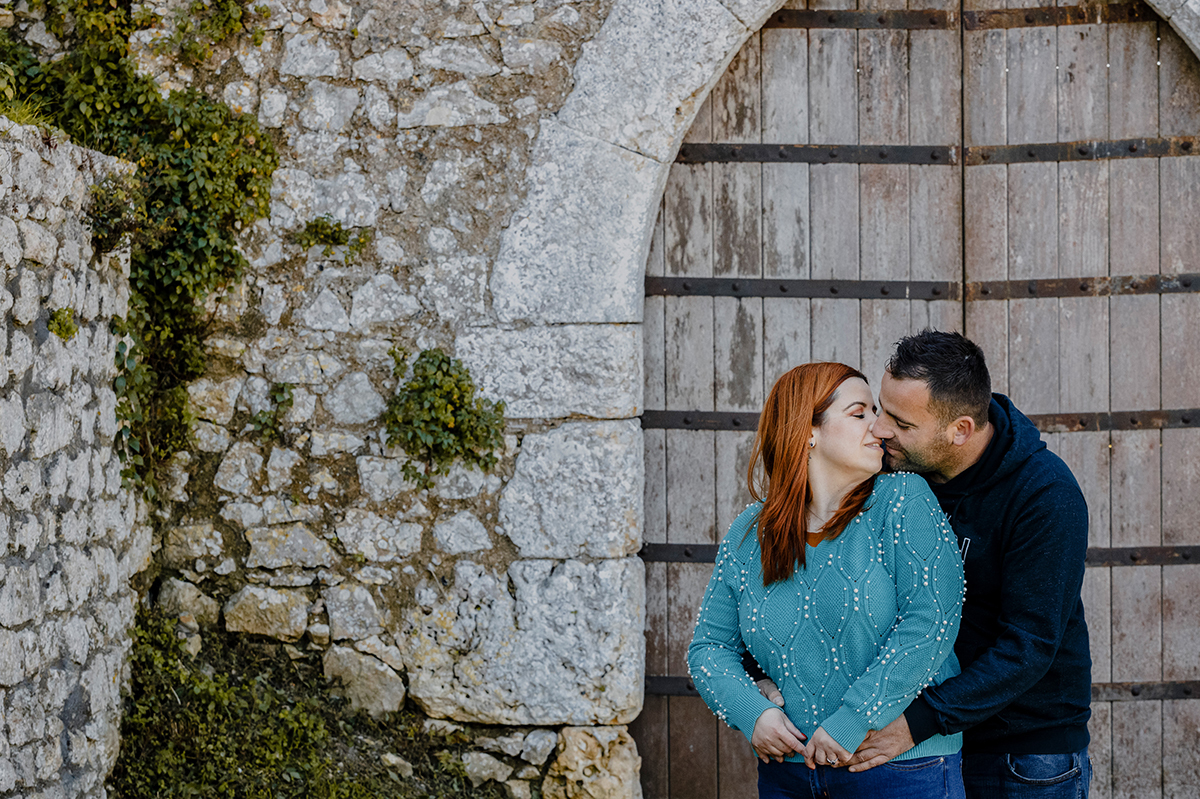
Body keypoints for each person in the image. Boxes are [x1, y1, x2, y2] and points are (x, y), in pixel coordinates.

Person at [751, 331, 1093, 798]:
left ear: (960, 430)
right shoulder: (893, 477)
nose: (880, 429)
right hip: (923, 743)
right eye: (878, 408)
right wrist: (759, 682)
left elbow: (1029, 646)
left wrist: (918, 722)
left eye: (900, 422)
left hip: (1019, 752)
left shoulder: (1044, 496)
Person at [688, 362, 967, 799]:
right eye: (860, 413)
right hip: (790, 776)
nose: (879, 427)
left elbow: (932, 621)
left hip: (898, 772)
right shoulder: (750, 531)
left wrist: (854, 719)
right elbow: (709, 648)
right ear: (807, 432)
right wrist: (753, 713)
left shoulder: (903, 500)